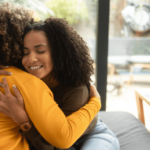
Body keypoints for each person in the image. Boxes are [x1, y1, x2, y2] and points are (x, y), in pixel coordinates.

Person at [0, 16, 120, 150]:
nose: (31, 59)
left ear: (59, 53)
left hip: (90, 135)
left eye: (41, 51)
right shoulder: (24, 77)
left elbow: (52, 145)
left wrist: (23, 120)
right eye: (25, 53)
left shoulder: (76, 89)